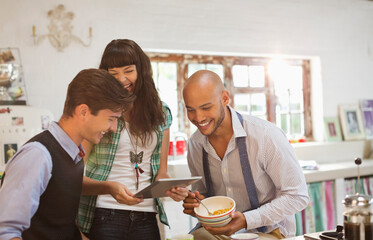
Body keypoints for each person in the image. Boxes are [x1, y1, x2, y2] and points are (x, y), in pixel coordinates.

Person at [0, 69, 135, 240]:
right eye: (111, 118)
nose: (114, 128)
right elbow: (6, 233)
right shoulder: (37, 156)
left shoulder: (74, 154)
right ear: (83, 112)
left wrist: (108, 187)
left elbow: (60, 225)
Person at [78, 39, 188, 240]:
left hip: (146, 216)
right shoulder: (98, 112)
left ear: (142, 71)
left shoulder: (161, 113)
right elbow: (75, 178)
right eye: (113, 74)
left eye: (128, 70)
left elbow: (160, 174)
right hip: (105, 214)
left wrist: (172, 189)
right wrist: (109, 188)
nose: (121, 79)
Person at [182, 70, 309, 239]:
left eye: (206, 107)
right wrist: (197, 204)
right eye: (191, 110)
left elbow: (297, 196)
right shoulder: (195, 144)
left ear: (225, 98)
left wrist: (246, 220)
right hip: (219, 233)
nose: (198, 118)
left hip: (269, 231)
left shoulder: (265, 136)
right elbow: (203, 194)